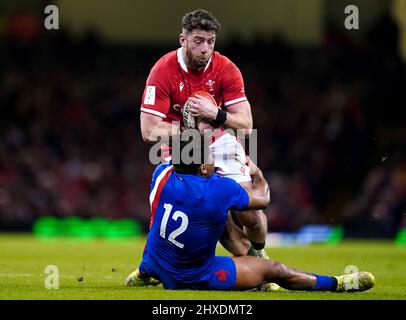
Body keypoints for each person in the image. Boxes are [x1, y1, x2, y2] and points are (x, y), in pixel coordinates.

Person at [126, 136, 375, 292]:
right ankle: (337, 284)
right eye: (211, 158)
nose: (215, 162)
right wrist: (254, 170)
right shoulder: (218, 188)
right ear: (202, 166)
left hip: (156, 260)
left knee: (210, 220)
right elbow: (262, 198)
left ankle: (142, 273)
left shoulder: (161, 173)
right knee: (273, 270)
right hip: (192, 276)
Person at [139, 9, 269, 270]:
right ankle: (259, 269)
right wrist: (190, 132)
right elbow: (149, 130)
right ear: (183, 40)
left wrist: (216, 114)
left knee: (251, 214)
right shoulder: (163, 70)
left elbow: (246, 126)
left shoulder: (226, 69)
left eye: (210, 42)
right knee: (215, 218)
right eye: (198, 40)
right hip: (182, 144)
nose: (205, 49)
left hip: (219, 139)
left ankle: (258, 254)